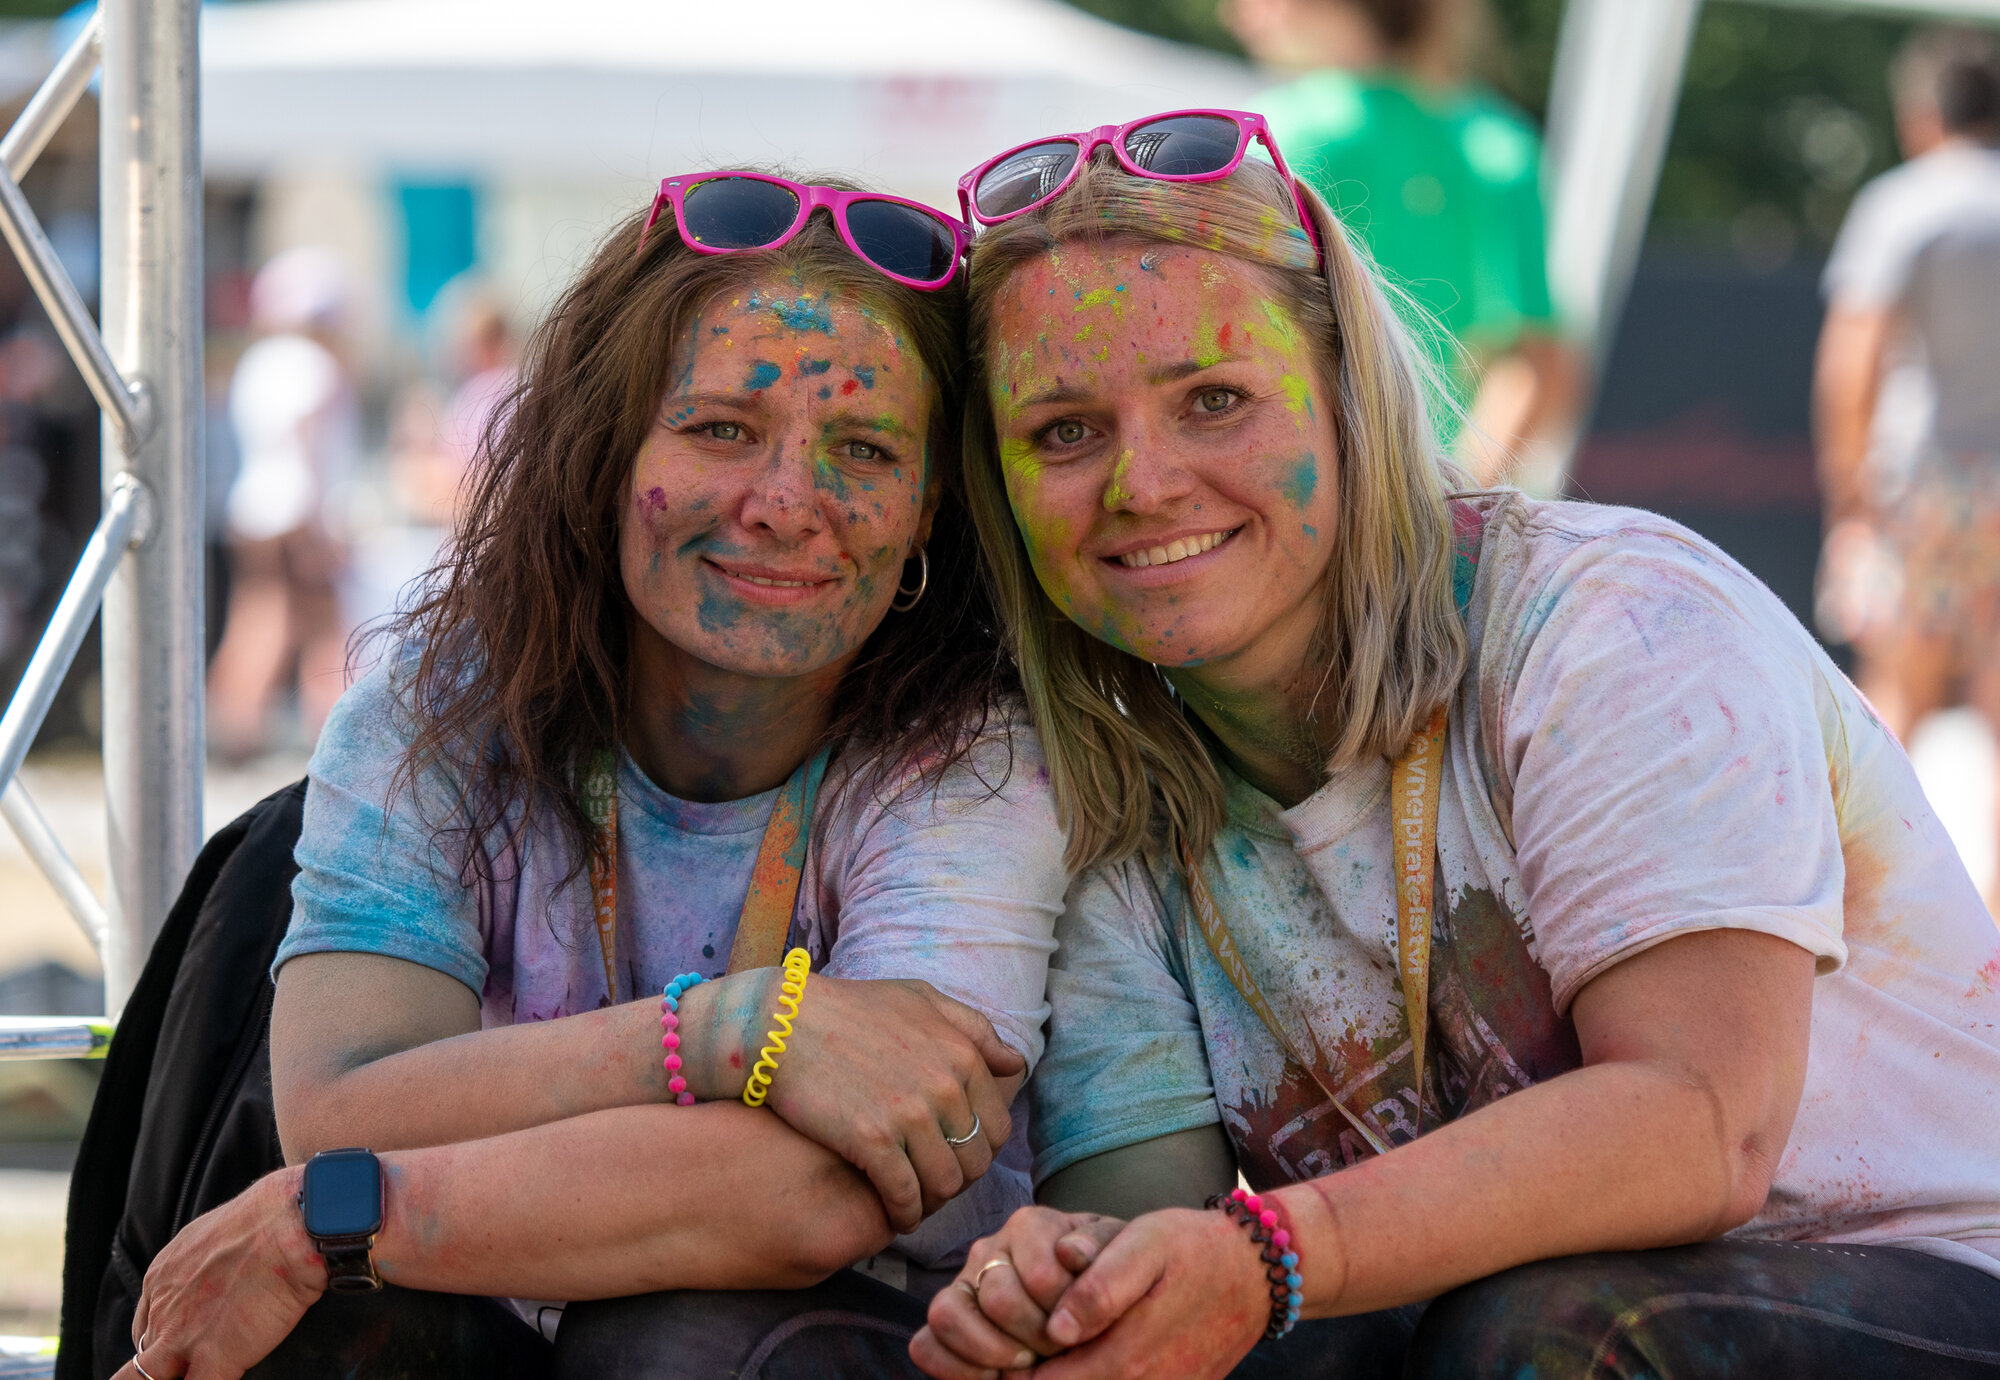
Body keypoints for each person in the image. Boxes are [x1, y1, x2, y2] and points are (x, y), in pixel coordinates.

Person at [916, 114, 2000, 1380]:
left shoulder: (1610, 623)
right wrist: (1066, 1290)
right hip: (1464, 1319)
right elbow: (1154, 1221)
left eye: (1213, 401)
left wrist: (1270, 1254)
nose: (1141, 484)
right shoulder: (1099, 783)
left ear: (1346, 400)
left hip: (1916, 1282)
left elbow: (1700, 1125)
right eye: (1062, 431)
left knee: (1545, 1335)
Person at [118, 172, 1069, 1380]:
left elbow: (819, 1194)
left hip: (827, 1350)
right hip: (489, 1338)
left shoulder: (969, 764)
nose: (786, 504)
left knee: (672, 1336)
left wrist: (335, 1219)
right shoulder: (438, 709)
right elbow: (338, 1109)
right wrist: (727, 1033)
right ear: (604, 453)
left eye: (865, 449)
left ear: (929, 507)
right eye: (721, 430)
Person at [1220, 0, 1582, 488]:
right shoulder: (1501, 146)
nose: (1233, 13)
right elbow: (1539, 366)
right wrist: (1454, 500)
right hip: (1455, 500)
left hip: (1326, 501)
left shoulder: (1278, 138)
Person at [1815, 26, 2000, 903]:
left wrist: (1849, 495)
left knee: (1895, 696)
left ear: (1922, 113)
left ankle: (1862, 908)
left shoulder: (1904, 204)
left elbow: (1854, 360)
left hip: (1922, 480)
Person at [206, 246, 363, 760]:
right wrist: (322, 524)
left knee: (258, 616)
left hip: (252, 510)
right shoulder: (315, 364)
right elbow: (308, 437)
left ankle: (232, 725)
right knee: (326, 628)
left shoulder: (256, 362)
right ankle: (340, 738)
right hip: (299, 514)